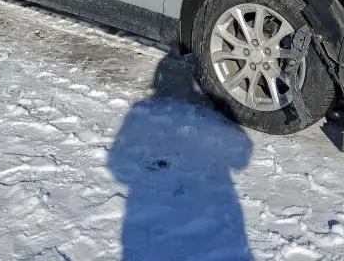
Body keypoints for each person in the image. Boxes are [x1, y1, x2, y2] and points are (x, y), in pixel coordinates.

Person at [108, 56, 253, 261]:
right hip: (212, 216)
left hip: (159, 220)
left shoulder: (142, 111)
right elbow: (241, 156)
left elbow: (117, 164)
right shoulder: (203, 113)